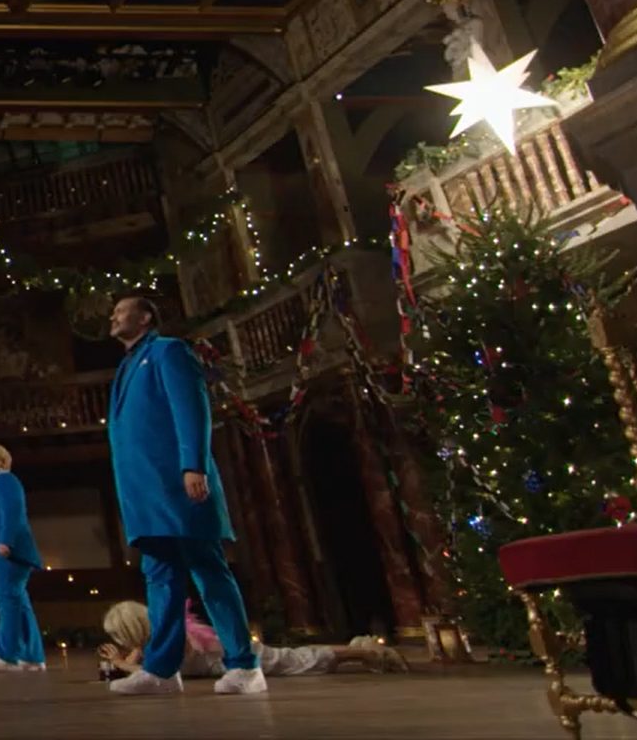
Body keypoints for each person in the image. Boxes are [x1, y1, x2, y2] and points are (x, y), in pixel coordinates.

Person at [104, 295, 265, 696]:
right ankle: (160, 670)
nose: (113, 316)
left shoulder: (168, 351)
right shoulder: (127, 365)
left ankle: (245, 666)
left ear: (145, 317)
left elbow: (191, 408)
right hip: (145, 490)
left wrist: (193, 464)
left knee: (208, 568)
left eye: (122, 310)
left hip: (176, 481)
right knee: (159, 575)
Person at [97, 601, 409, 677]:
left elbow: (158, 672)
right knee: (297, 660)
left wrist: (121, 664)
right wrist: (122, 660)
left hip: (236, 656)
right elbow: (142, 660)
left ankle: (367, 653)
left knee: (297, 660)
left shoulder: (173, 642)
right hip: (230, 658)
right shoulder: (155, 640)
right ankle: (358, 652)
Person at [0, 440, 45, 672]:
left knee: (7, 602)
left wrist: (6, 540)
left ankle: (8, 655)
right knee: (18, 603)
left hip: (5, 551)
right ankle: (32, 656)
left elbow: (12, 511)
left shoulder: (4, 479)